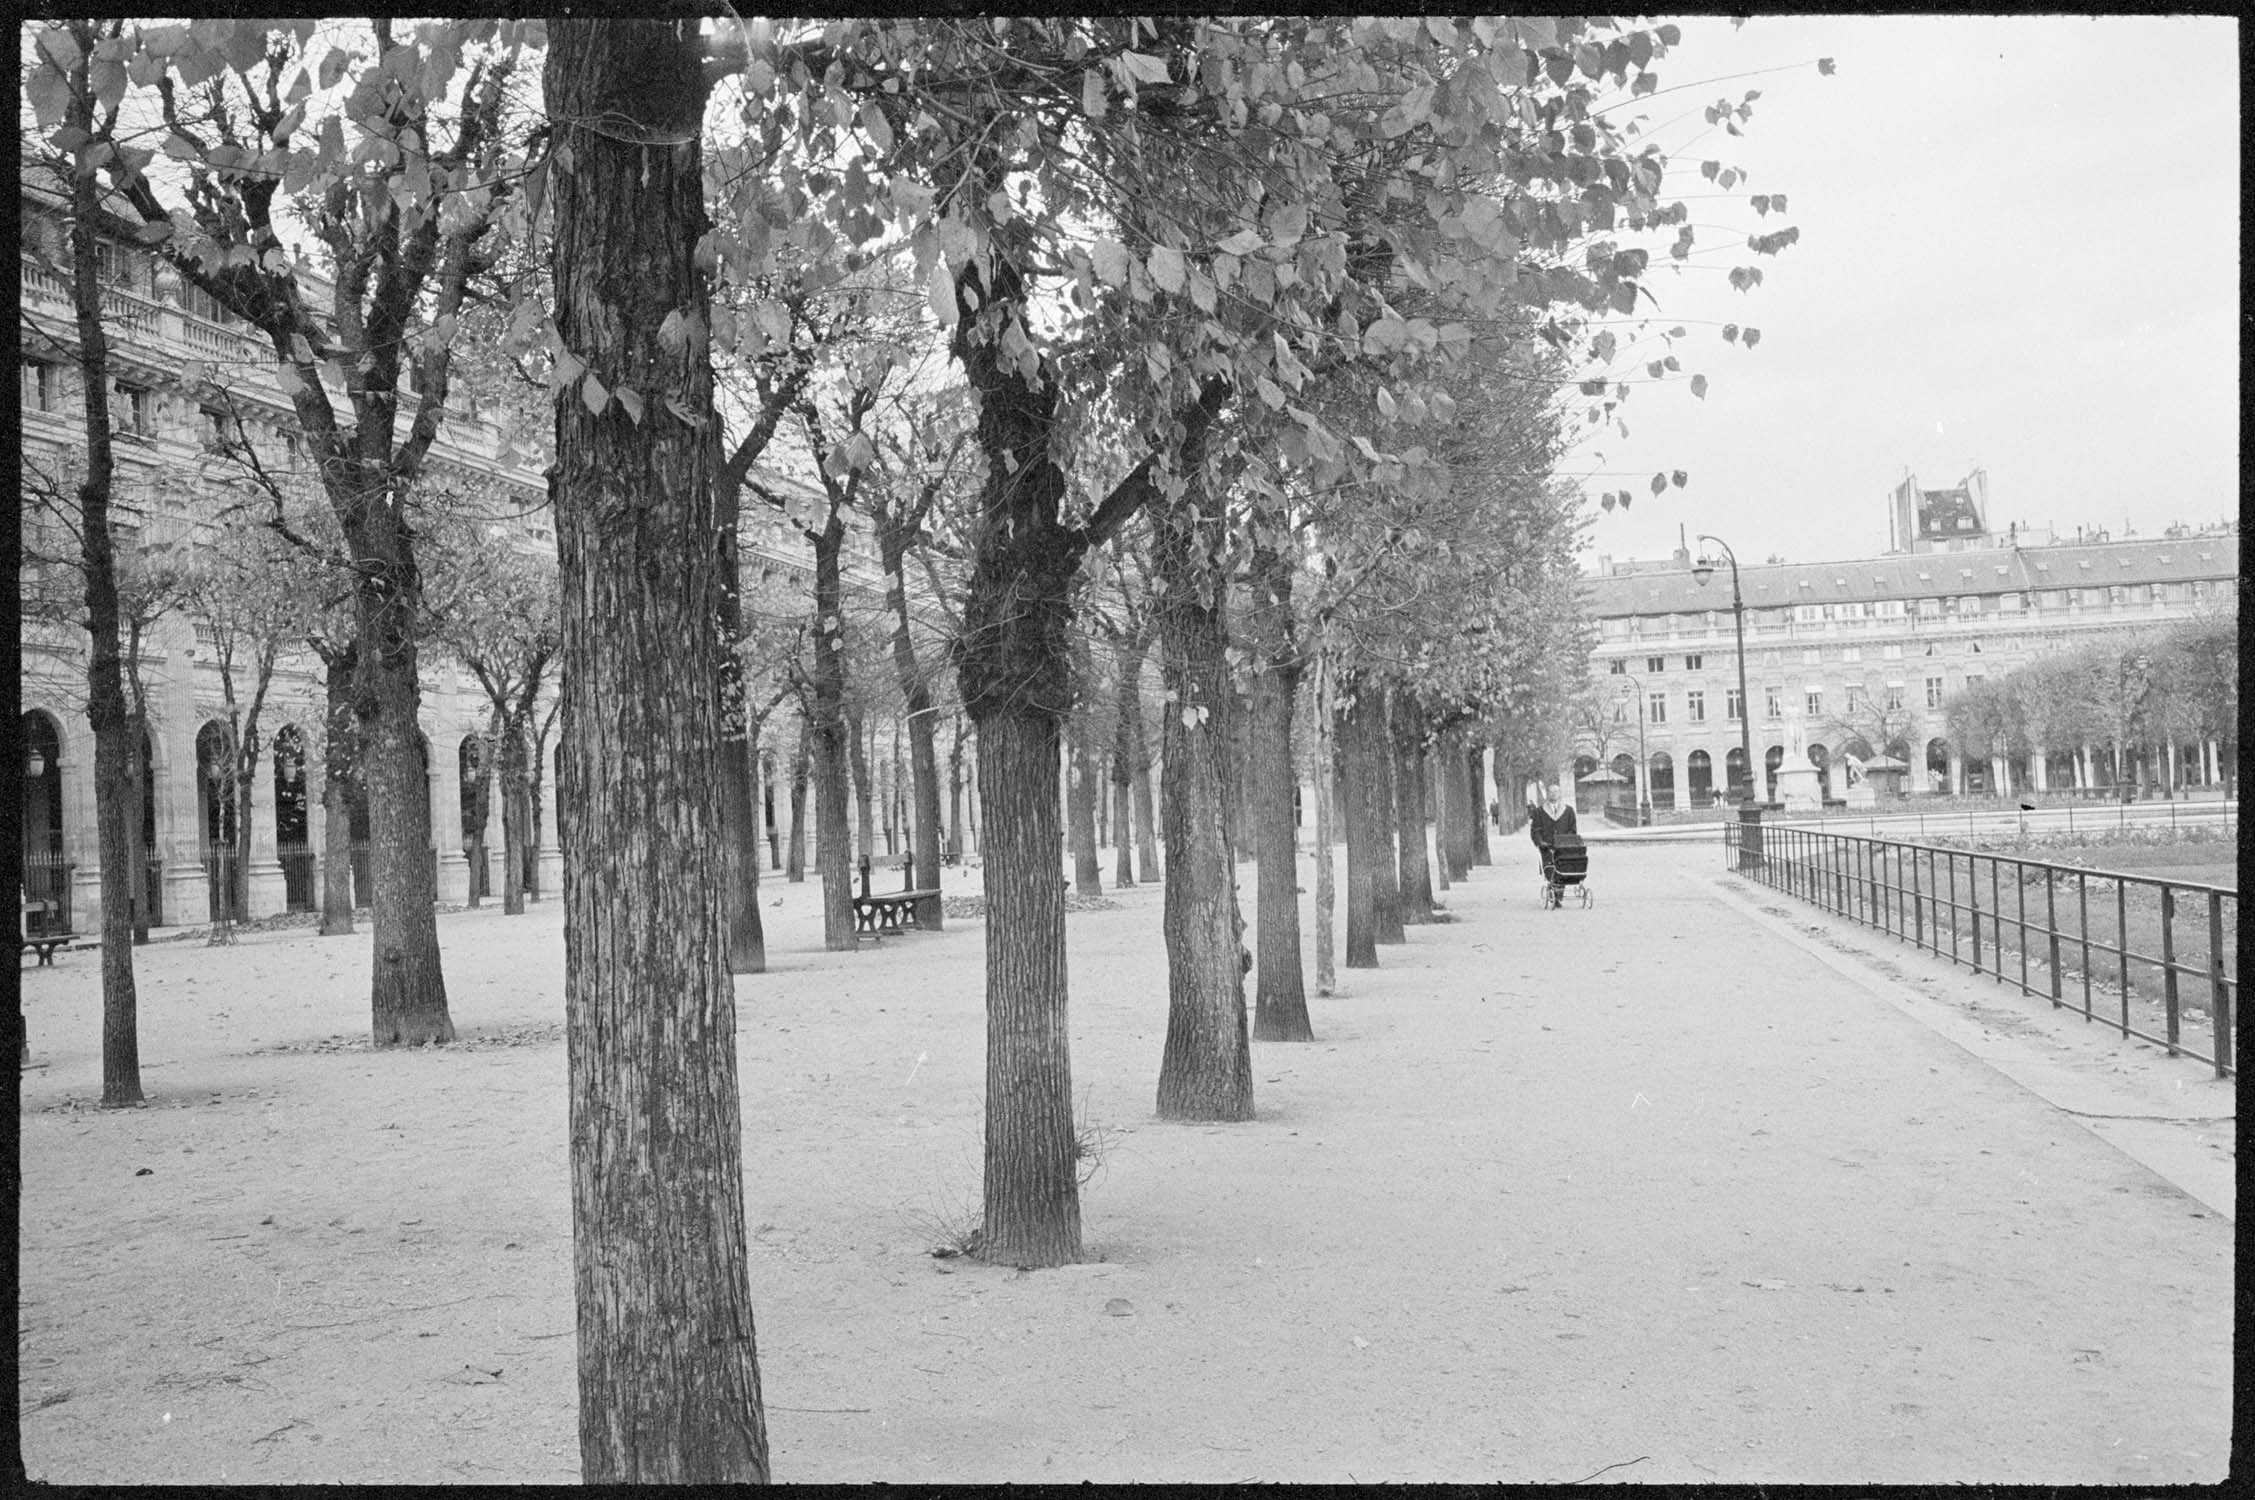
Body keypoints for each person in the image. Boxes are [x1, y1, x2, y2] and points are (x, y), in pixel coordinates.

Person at [1526, 781, 1578, 880]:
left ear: (1560, 794)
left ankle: (1558, 893)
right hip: (1547, 848)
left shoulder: (1568, 811)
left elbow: (1573, 830)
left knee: (1563, 872)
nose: (1553, 793)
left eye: (1556, 791)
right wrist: (1540, 842)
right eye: (1551, 791)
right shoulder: (1539, 812)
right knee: (1550, 872)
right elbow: (1535, 830)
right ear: (1547, 794)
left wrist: (1566, 842)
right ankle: (1554, 890)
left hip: (1564, 848)